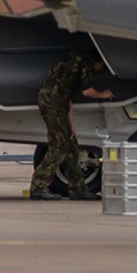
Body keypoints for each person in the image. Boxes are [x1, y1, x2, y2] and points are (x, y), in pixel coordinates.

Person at [29, 52, 110, 200]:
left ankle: (78, 189)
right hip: (52, 102)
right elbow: (87, 91)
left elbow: (68, 98)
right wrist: (104, 94)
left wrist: (71, 125)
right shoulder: (85, 63)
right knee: (59, 146)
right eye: (102, 67)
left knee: (72, 147)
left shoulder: (72, 61)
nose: (99, 70)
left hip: (56, 101)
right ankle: (38, 187)